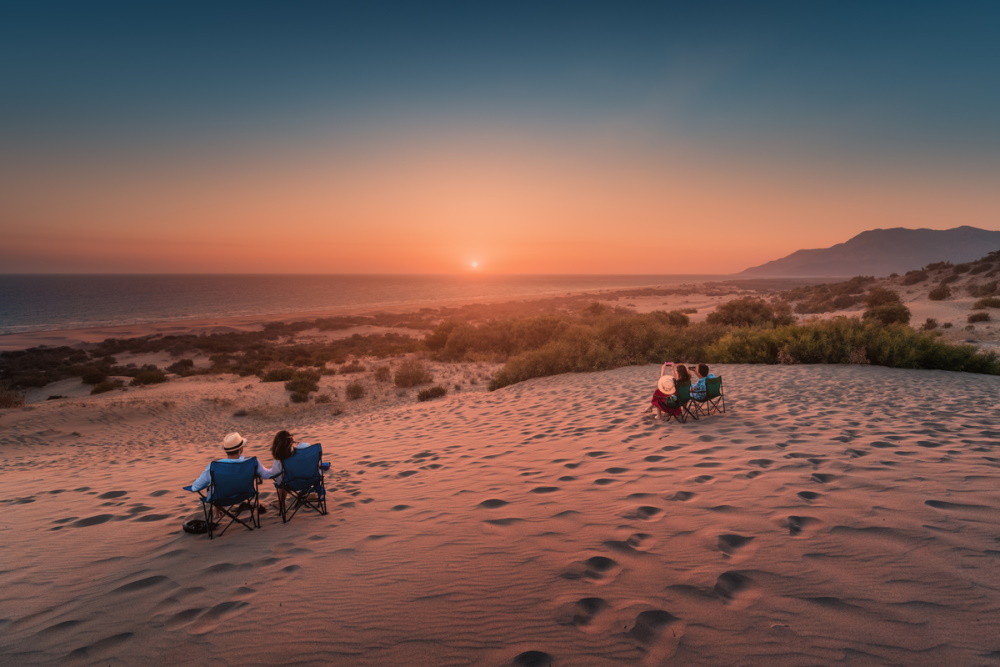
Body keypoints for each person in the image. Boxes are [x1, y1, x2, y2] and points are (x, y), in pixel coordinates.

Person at [190, 432, 273, 517]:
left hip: (221, 499)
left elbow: (196, 487)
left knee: (214, 486)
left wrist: (193, 487)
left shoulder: (214, 467)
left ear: (226, 451)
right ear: (241, 449)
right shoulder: (252, 462)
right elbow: (267, 474)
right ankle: (217, 512)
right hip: (244, 494)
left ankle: (217, 513)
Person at [266, 430, 322, 507]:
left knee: (282, 481)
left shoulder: (280, 459)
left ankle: (281, 503)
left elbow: (277, 477)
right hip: (311, 480)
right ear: (292, 440)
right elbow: (317, 463)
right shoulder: (305, 447)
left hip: (291, 485)